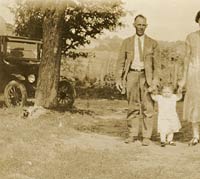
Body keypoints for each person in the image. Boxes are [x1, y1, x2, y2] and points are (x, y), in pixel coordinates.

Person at [115, 14, 160, 146]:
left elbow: (157, 65)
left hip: (147, 77)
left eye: (143, 25)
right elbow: (120, 62)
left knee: (148, 107)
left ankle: (146, 136)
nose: (141, 27)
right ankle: (132, 134)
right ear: (134, 25)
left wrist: (155, 81)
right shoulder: (126, 42)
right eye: (138, 24)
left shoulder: (153, 43)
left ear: (146, 26)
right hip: (132, 76)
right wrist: (119, 79)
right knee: (132, 106)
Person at [178, 10, 200, 146]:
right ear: (198, 21)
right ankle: (196, 135)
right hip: (194, 74)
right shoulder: (191, 37)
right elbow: (186, 59)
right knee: (195, 104)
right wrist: (183, 79)